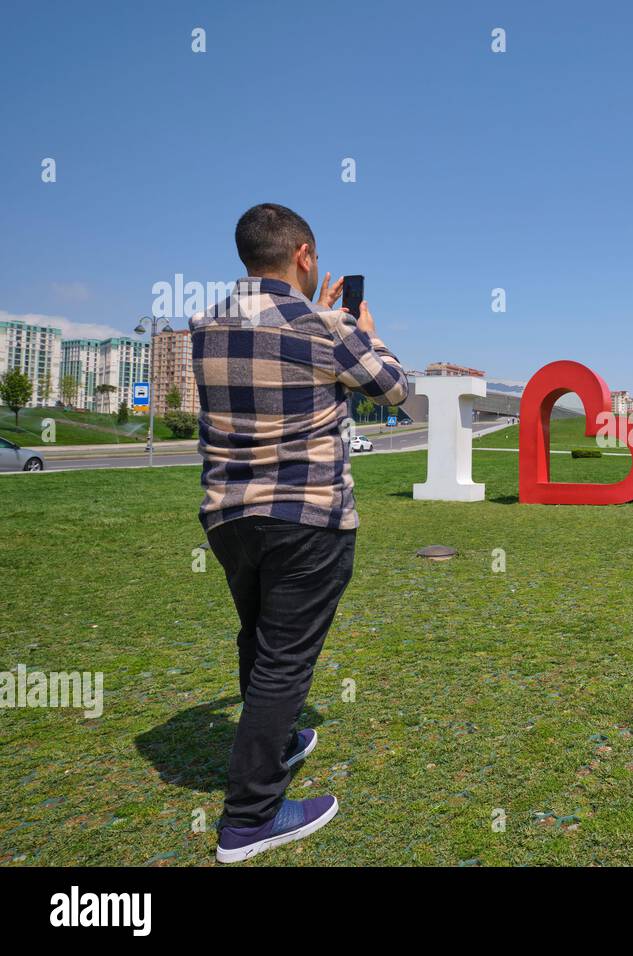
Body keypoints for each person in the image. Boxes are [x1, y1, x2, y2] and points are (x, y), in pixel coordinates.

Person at [191, 203, 409, 863]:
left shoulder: (204, 326)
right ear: (304, 255)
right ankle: (251, 818)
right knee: (286, 658)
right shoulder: (326, 327)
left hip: (229, 517)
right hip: (306, 517)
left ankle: (280, 743)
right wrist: (362, 327)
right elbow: (394, 389)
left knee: (258, 638)